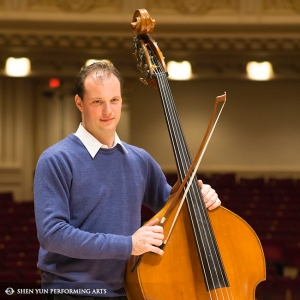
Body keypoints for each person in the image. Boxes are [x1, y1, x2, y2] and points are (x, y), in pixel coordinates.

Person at [34, 61, 221, 300]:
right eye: (97, 102)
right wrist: (128, 245)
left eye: (114, 100)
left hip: (125, 290)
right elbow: (52, 235)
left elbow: (173, 208)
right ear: (79, 103)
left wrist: (201, 197)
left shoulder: (139, 160)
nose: (108, 112)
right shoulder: (56, 159)